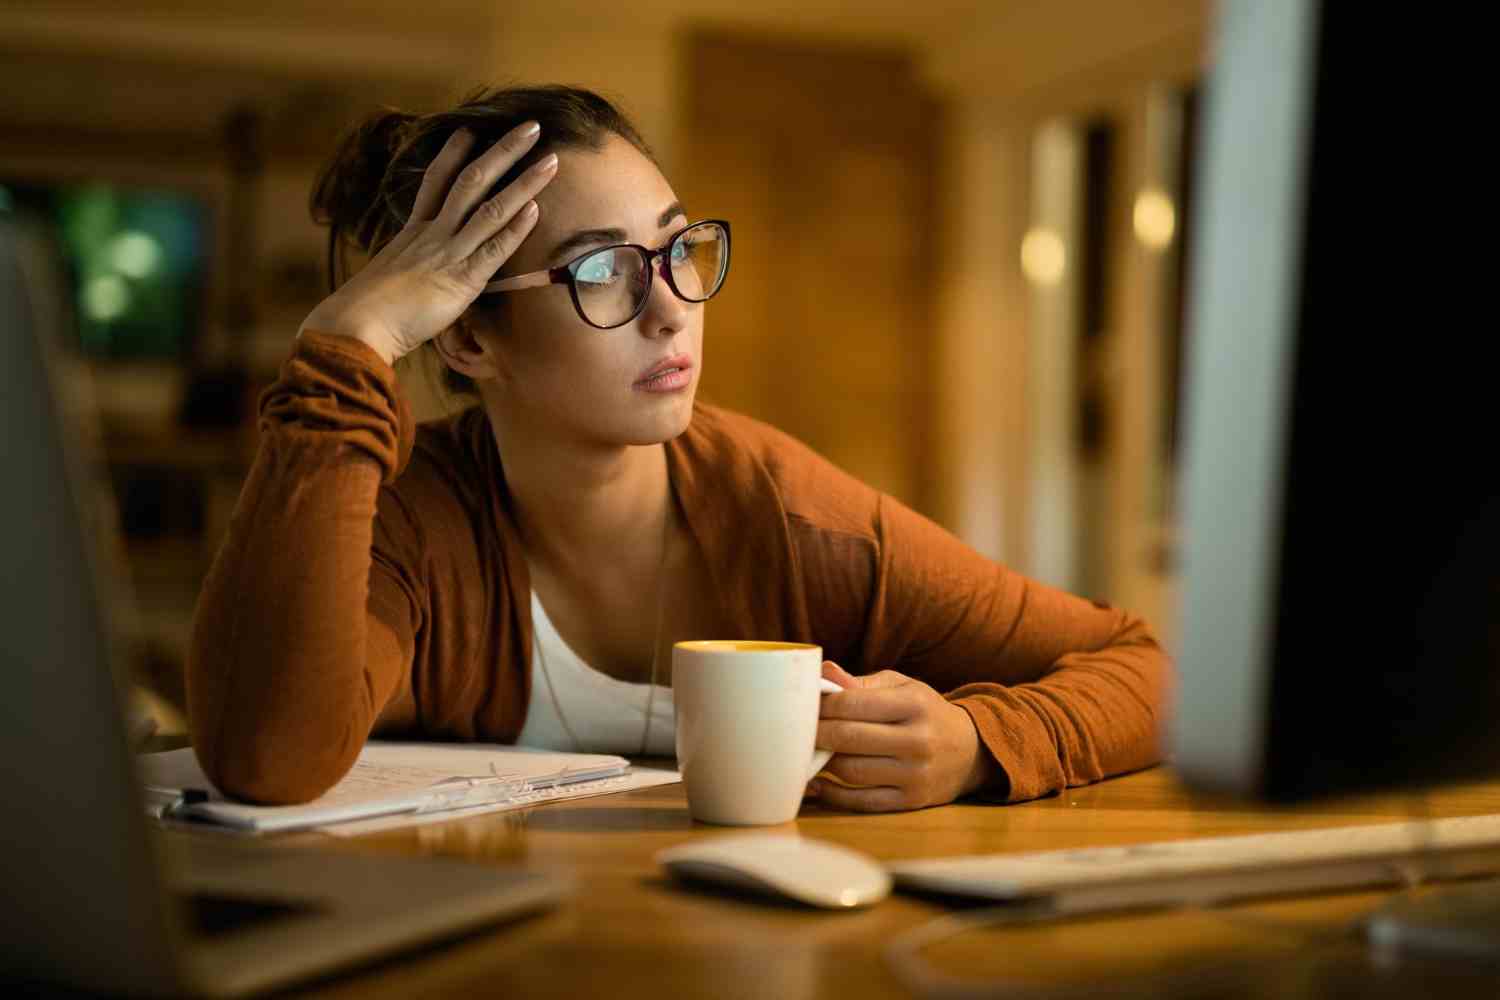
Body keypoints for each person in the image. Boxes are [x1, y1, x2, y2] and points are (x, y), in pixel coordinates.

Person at [187, 86, 1172, 812]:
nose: (672, 310)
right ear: (471, 338)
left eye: (678, 247)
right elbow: (267, 758)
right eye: (602, 270)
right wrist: (347, 343)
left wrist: (977, 739)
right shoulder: (411, 514)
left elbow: (1144, 666)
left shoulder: (790, 517)